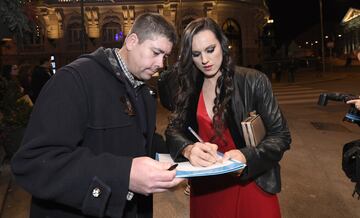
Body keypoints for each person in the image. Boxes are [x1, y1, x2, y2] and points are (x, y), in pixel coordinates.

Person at [11, 12, 183, 218]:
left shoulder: (144, 92)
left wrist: (184, 152)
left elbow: (145, 142)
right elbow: (33, 163)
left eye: (165, 56)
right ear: (132, 41)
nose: (161, 64)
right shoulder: (74, 81)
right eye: (156, 52)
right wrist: (123, 174)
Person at [165, 17, 291, 218]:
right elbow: (173, 131)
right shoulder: (189, 86)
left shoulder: (253, 81)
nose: (205, 60)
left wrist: (246, 156)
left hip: (250, 183)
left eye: (210, 49)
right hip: (206, 188)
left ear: (222, 45)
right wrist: (188, 149)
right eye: (196, 54)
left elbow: (281, 135)